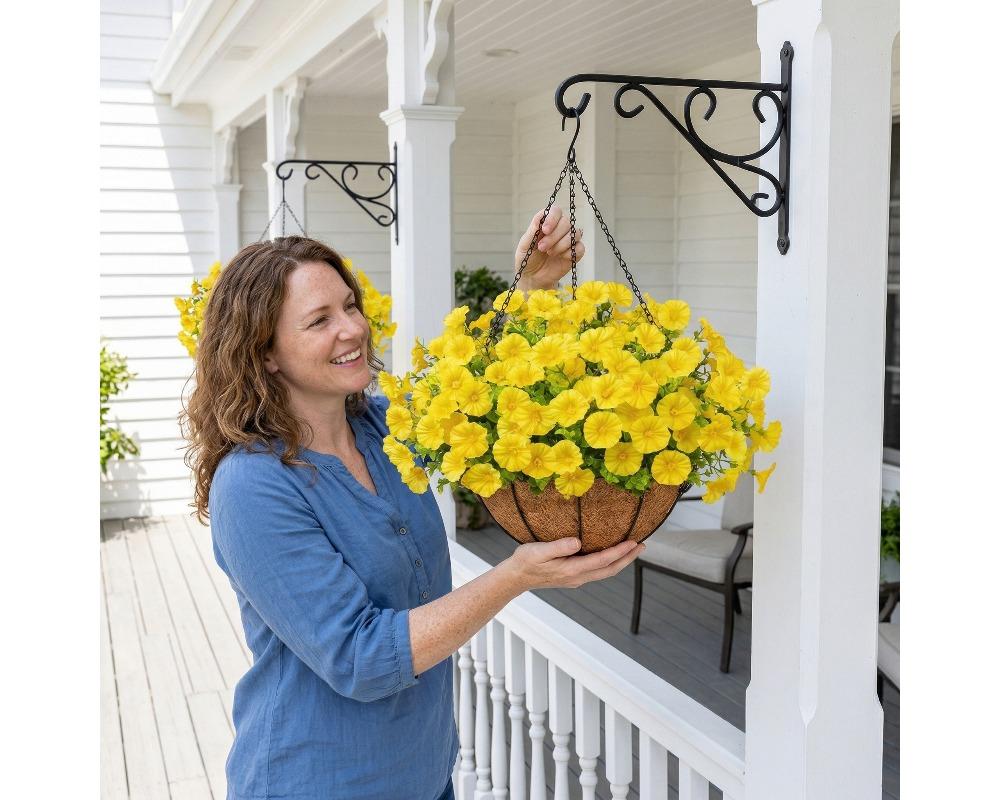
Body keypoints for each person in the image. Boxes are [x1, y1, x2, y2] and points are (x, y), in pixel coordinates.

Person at [181, 207, 647, 800]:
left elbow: (477, 391)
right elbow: (360, 657)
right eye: (319, 320)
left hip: (423, 773)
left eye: (350, 306)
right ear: (265, 353)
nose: (351, 329)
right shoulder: (254, 486)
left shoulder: (382, 426)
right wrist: (515, 578)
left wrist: (532, 287)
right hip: (317, 782)